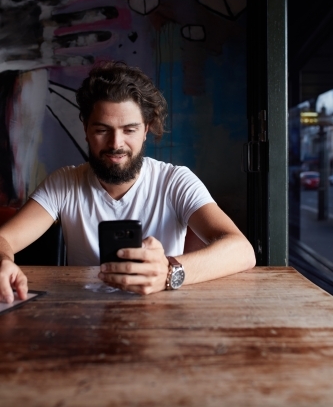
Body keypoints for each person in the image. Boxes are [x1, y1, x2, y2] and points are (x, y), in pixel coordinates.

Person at [0, 61, 255, 303]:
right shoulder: (63, 183)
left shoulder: (175, 181)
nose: (116, 144)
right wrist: (3, 261)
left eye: (129, 130)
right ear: (86, 130)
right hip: (81, 320)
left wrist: (169, 271)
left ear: (146, 130)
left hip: (162, 322)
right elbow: (5, 239)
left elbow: (242, 250)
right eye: (102, 130)